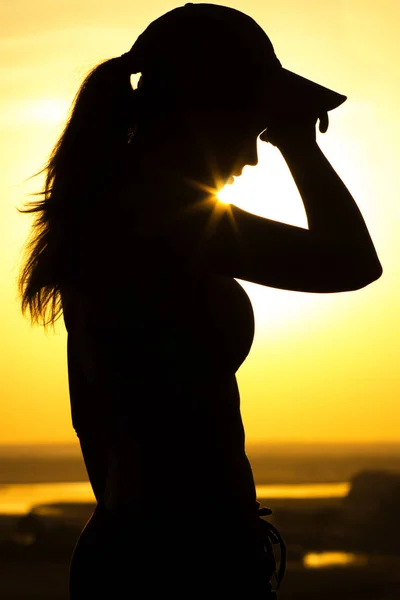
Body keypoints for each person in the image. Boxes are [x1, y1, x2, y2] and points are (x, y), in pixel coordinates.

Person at [17, 3, 382, 598]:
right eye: (253, 128)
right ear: (208, 115)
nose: (253, 155)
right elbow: (350, 264)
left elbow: (95, 418)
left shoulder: (119, 210)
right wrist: (299, 144)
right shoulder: (160, 216)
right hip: (176, 562)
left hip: (154, 547)